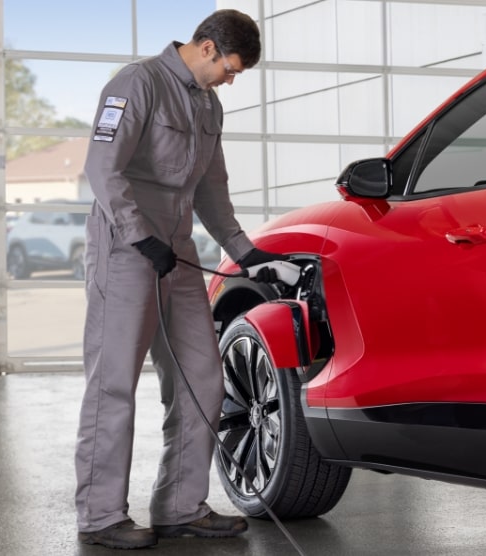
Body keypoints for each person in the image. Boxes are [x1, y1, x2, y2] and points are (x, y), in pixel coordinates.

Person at [75, 9, 287, 550]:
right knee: (114, 383)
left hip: (178, 255)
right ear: (209, 48)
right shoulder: (137, 83)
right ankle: (100, 516)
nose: (232, 81)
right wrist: (137, 234)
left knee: (204, 377)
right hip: (125, 252)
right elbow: (103, 167)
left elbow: (212, 190)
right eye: (232, 69)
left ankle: (180, 506)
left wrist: (247, 253)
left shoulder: (207, 104)